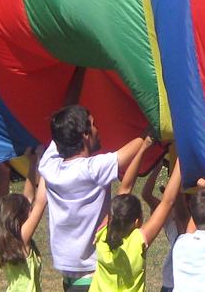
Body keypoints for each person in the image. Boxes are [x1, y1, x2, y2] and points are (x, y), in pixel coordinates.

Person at [39, 106, 148, 290]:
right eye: (94, 125)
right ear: (85, 135)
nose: (98, 129)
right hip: (91, 276)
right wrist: (152, 130)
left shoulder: (48, 166)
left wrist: (77, 79)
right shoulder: (91, 170)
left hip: (67, 274)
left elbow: (62, 127)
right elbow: (127, 154)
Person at [88, 153, 184, 292]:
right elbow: (167, 202)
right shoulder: (136, 242)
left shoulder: (102, 235)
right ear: (137, 222)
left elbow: (125, 189)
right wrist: (180, 154)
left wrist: (144, 149)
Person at [0, 152, 49, 292]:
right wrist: (47, 161)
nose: (31, 210)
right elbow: (41, 202)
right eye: (29, 210)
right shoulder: (21, 239)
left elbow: (28, 197)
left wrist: (33, 163)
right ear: (19, 218)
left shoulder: (7, 238)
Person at [141, 156, 188, 292]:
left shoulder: (196, 216)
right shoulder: (168, 214)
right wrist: (158, 164)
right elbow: (146, 194)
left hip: (183, 283)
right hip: (169, 281)